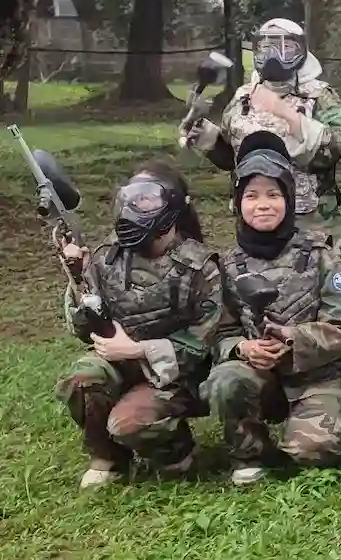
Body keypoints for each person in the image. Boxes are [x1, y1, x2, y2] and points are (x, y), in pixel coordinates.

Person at [201, 132, 341, 485]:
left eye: (273, 194)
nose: (263, 205)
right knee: (226, 380)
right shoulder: (226, 265)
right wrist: (243, 348)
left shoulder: (320, 254)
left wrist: (291, 339)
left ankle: (306, 431)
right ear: (237, 203)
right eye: (251, 196)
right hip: (258, 376)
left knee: (311, 452)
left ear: (289, 199)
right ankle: (248, 452)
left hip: (318, 377)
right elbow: (218, 332)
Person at [55, 161, 221, 488]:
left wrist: (138, 350)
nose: (134, 206)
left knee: (129, 423)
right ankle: (108, 458)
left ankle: (176, 450)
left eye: (146, 198)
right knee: (82, 380)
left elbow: (203, 345)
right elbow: (83, 328)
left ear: (172, 206)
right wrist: (77, 278)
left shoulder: (200, 267)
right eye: (131, 197)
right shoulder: (108, 256)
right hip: (119, 365)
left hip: (176, 376)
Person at [181, 18, 341, 236]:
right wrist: (208, 137)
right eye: (266, 47)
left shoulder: (320, 95)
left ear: (302, 51)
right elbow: (234, 159)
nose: (273, 55)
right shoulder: (243, 96)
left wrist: (286, 113)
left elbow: (336, 149)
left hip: (310, 221)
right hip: (255, 218)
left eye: (285, 47)